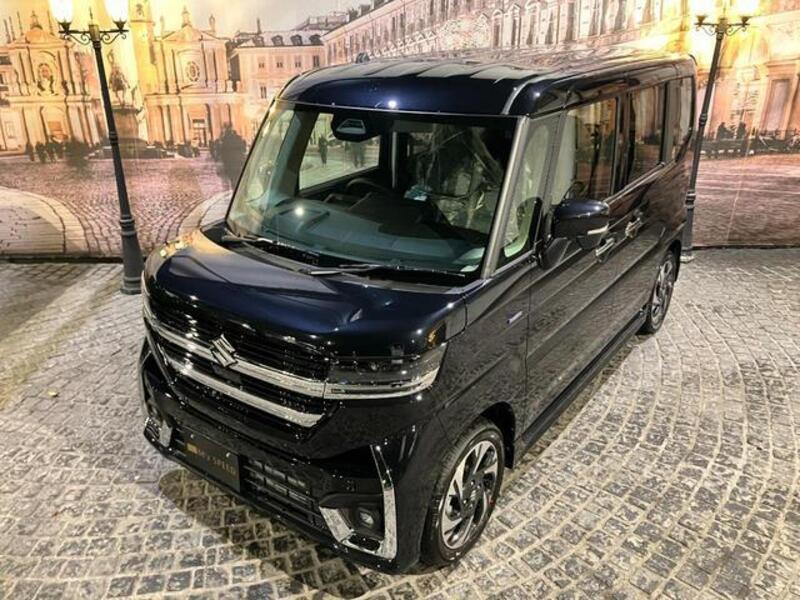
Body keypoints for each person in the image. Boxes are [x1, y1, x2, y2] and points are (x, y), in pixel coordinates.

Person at [218, 125, 247, 189]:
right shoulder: (238, 138)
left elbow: (222, 153)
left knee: (233, 179)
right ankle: (242, 189)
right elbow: (243, 149)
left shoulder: (225, 140)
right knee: (240, 177)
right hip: (239, 161)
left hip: (230, 163)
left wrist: (224, 162)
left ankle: (235, 189)